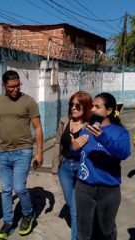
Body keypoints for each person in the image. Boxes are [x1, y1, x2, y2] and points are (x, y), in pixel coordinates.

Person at [0, 70, 44, 239]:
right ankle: (7, 222)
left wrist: (39, 152)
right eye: (11, 86)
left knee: (19, 187)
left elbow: (37, 127)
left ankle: (28, 214)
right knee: (5, 190)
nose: (15, 89)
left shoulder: (28, 101)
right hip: (4, 152)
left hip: (23, 151)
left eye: (18, 86)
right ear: (4, 85)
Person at [71, 92, 131, 240]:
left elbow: (124, 153)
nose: (92, 109)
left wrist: (102, 137)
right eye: (92, 106)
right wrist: (74, 149)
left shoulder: (120, 132)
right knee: (83, 233)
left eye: (97, 107)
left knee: (106, 231)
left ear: (109, 111)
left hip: (108, 190)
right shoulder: (86, 129)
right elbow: (79, 157)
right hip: (84, 188)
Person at [51, 91, 93, 240]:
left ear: (86, 107)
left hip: (82, 168)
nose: (73, 108)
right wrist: (55, 166)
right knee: (70, 204)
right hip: (65, 168)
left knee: (75, 208)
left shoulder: (91, 126)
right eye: (71, 105)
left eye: (78, 105)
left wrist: (78, 148)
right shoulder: (64, 121)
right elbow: (58, 143)